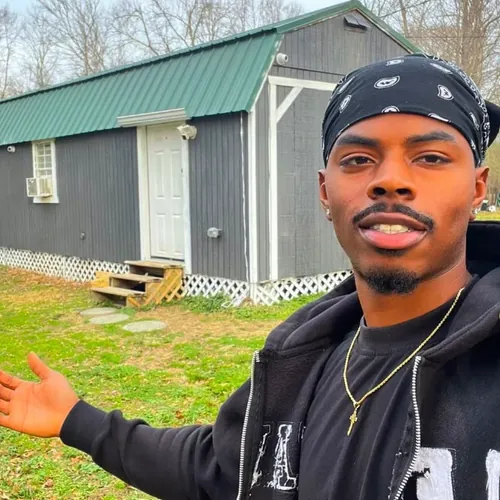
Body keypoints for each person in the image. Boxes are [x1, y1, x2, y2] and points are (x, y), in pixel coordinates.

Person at [1, 53, 500, 500]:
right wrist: (76, 420)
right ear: (325, 192)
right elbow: (221, 470)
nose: (390, 179)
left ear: (478, 188)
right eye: (358, 159)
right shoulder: (303, 358)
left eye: (430, 158)